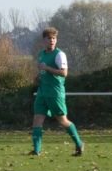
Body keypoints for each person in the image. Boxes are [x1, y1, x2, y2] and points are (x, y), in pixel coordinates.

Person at [30, 26, 84, 156]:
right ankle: (37, 151)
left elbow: (64, 73)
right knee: (37, 119)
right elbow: (43, 69)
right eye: (49, 38)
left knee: (62, 121)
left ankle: (79, 143)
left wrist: (47, 68)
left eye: (54, 38)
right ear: (44, 40)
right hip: (42, 92)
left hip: (55, 93)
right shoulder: (42, 54)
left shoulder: (59, 54)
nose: (52, 41)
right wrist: (38, 75)